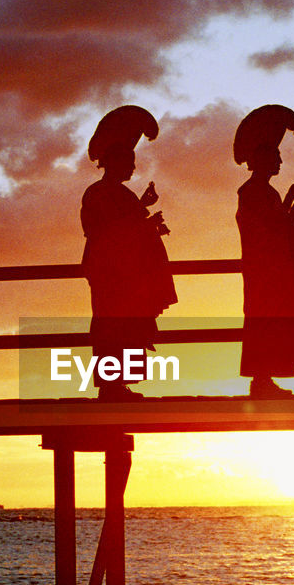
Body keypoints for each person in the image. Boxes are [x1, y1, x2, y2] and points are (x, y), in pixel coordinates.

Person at [80, 105, 178, 401]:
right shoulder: (96, 193)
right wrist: (143, 218)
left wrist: (144, 213)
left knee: (128, 329)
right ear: (115, 162)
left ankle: (119, 385)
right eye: (130, 161)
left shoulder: (121, 194)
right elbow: (104, 231)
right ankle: (111, 386)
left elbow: (125, 226)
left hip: (129, 276)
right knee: (114, 329)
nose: (133, 168)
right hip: (113, 275)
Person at [232, 104, 294, 398]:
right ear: (263, 159)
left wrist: (287, 207)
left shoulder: (261, 192)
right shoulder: (253, 191)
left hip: (269, 272)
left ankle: (264, 379)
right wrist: (289, 202)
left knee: (270, 322)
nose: (280, 160)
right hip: (266, 273)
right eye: (276, 156)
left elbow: (271, 225)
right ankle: (261, 381)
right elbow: (265, 230)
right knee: (266, 322)